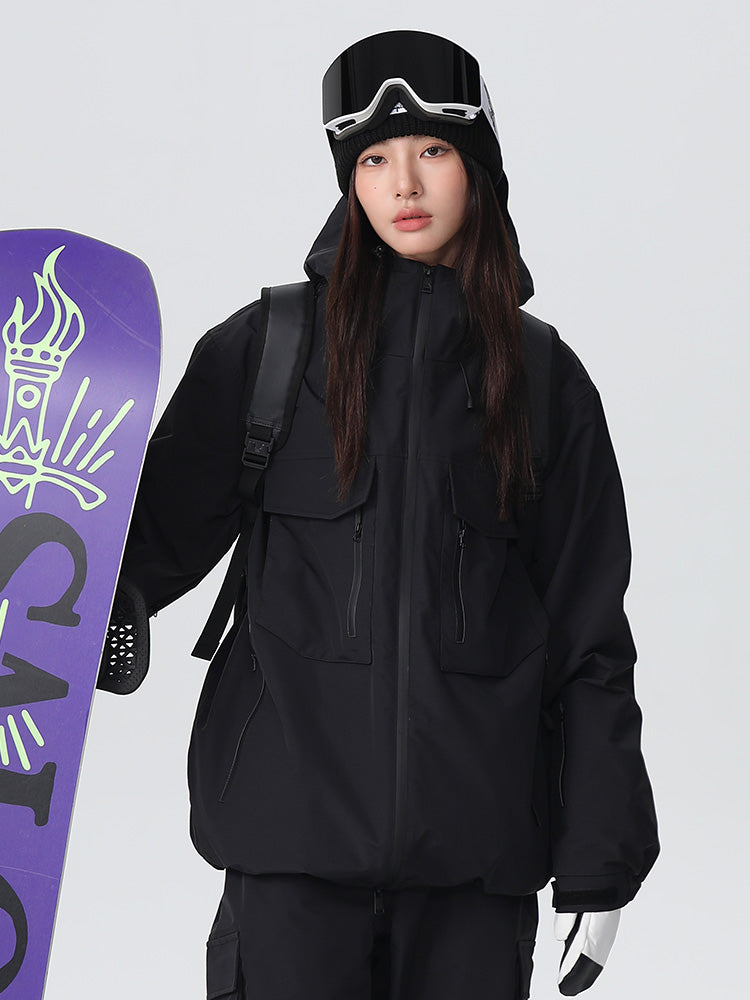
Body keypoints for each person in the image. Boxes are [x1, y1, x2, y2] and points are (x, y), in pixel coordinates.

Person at [113, 29, 659, 1000]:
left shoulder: (542, 380)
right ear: (349, 181)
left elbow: (589, 636)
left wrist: (600, 859)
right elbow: (140, 545)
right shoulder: (269, 349)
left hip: (473, 874)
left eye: (433, 150)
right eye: (373, 159)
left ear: (477, 166)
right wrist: (71, 609)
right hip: (288, 856)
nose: (403, 183)